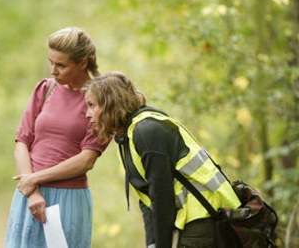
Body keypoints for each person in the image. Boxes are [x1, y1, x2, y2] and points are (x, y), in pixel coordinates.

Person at [82, 72, 242, 248]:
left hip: (204, 219)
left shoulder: (146, 131)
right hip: (189, 222)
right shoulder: (126, 137)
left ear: (110, 105)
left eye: (92, 105)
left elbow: (161, 197)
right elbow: (147, 199)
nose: (87, 114)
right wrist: (152, 242)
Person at [4, 27, 111, 248]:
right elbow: (22, 142)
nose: (53, 70)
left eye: (61, 65)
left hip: (68, 199)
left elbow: (86, 160)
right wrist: (32, 190)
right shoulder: (45, 89)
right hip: (29, 196)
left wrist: (34, 179)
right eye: (51, 62)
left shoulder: (101, 102)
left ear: (82, 63)